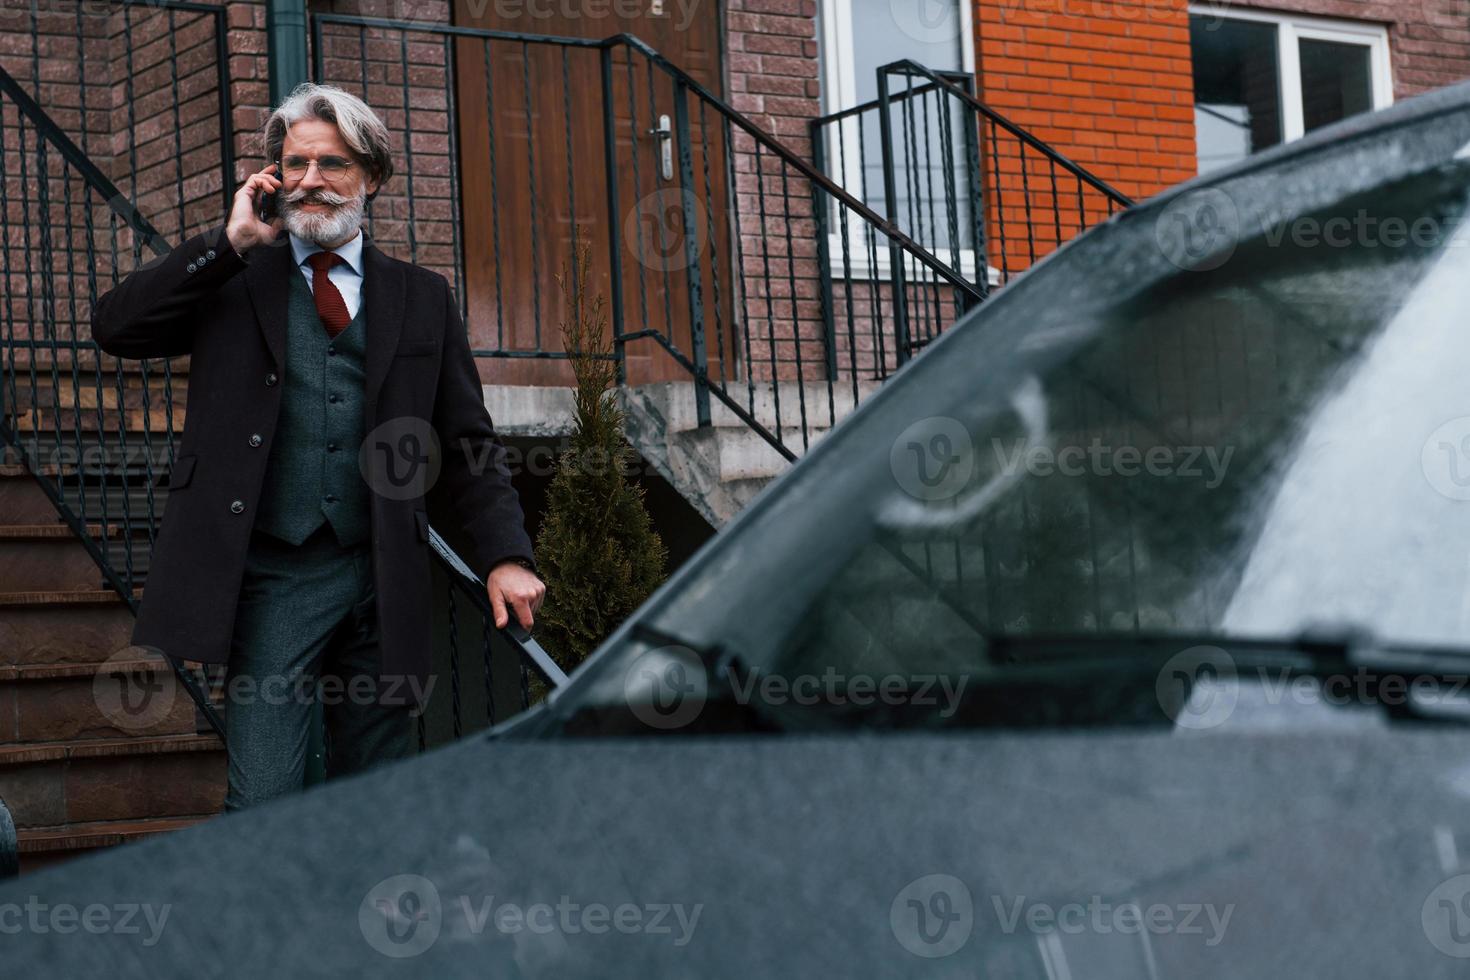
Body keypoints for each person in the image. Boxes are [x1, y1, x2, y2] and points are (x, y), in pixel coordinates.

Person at [91, 83, 545, 810]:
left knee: (375, 798)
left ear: (372, 177)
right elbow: (116, 328)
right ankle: (266, 926)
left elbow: (465, 441)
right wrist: (228, 244)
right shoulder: (234, 280)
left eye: (331, 164)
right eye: (294, 163)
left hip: (387, 574)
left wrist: (505, 555)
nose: (310, 180)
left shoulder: (422, 297)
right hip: (277, 576)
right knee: (263, 795)